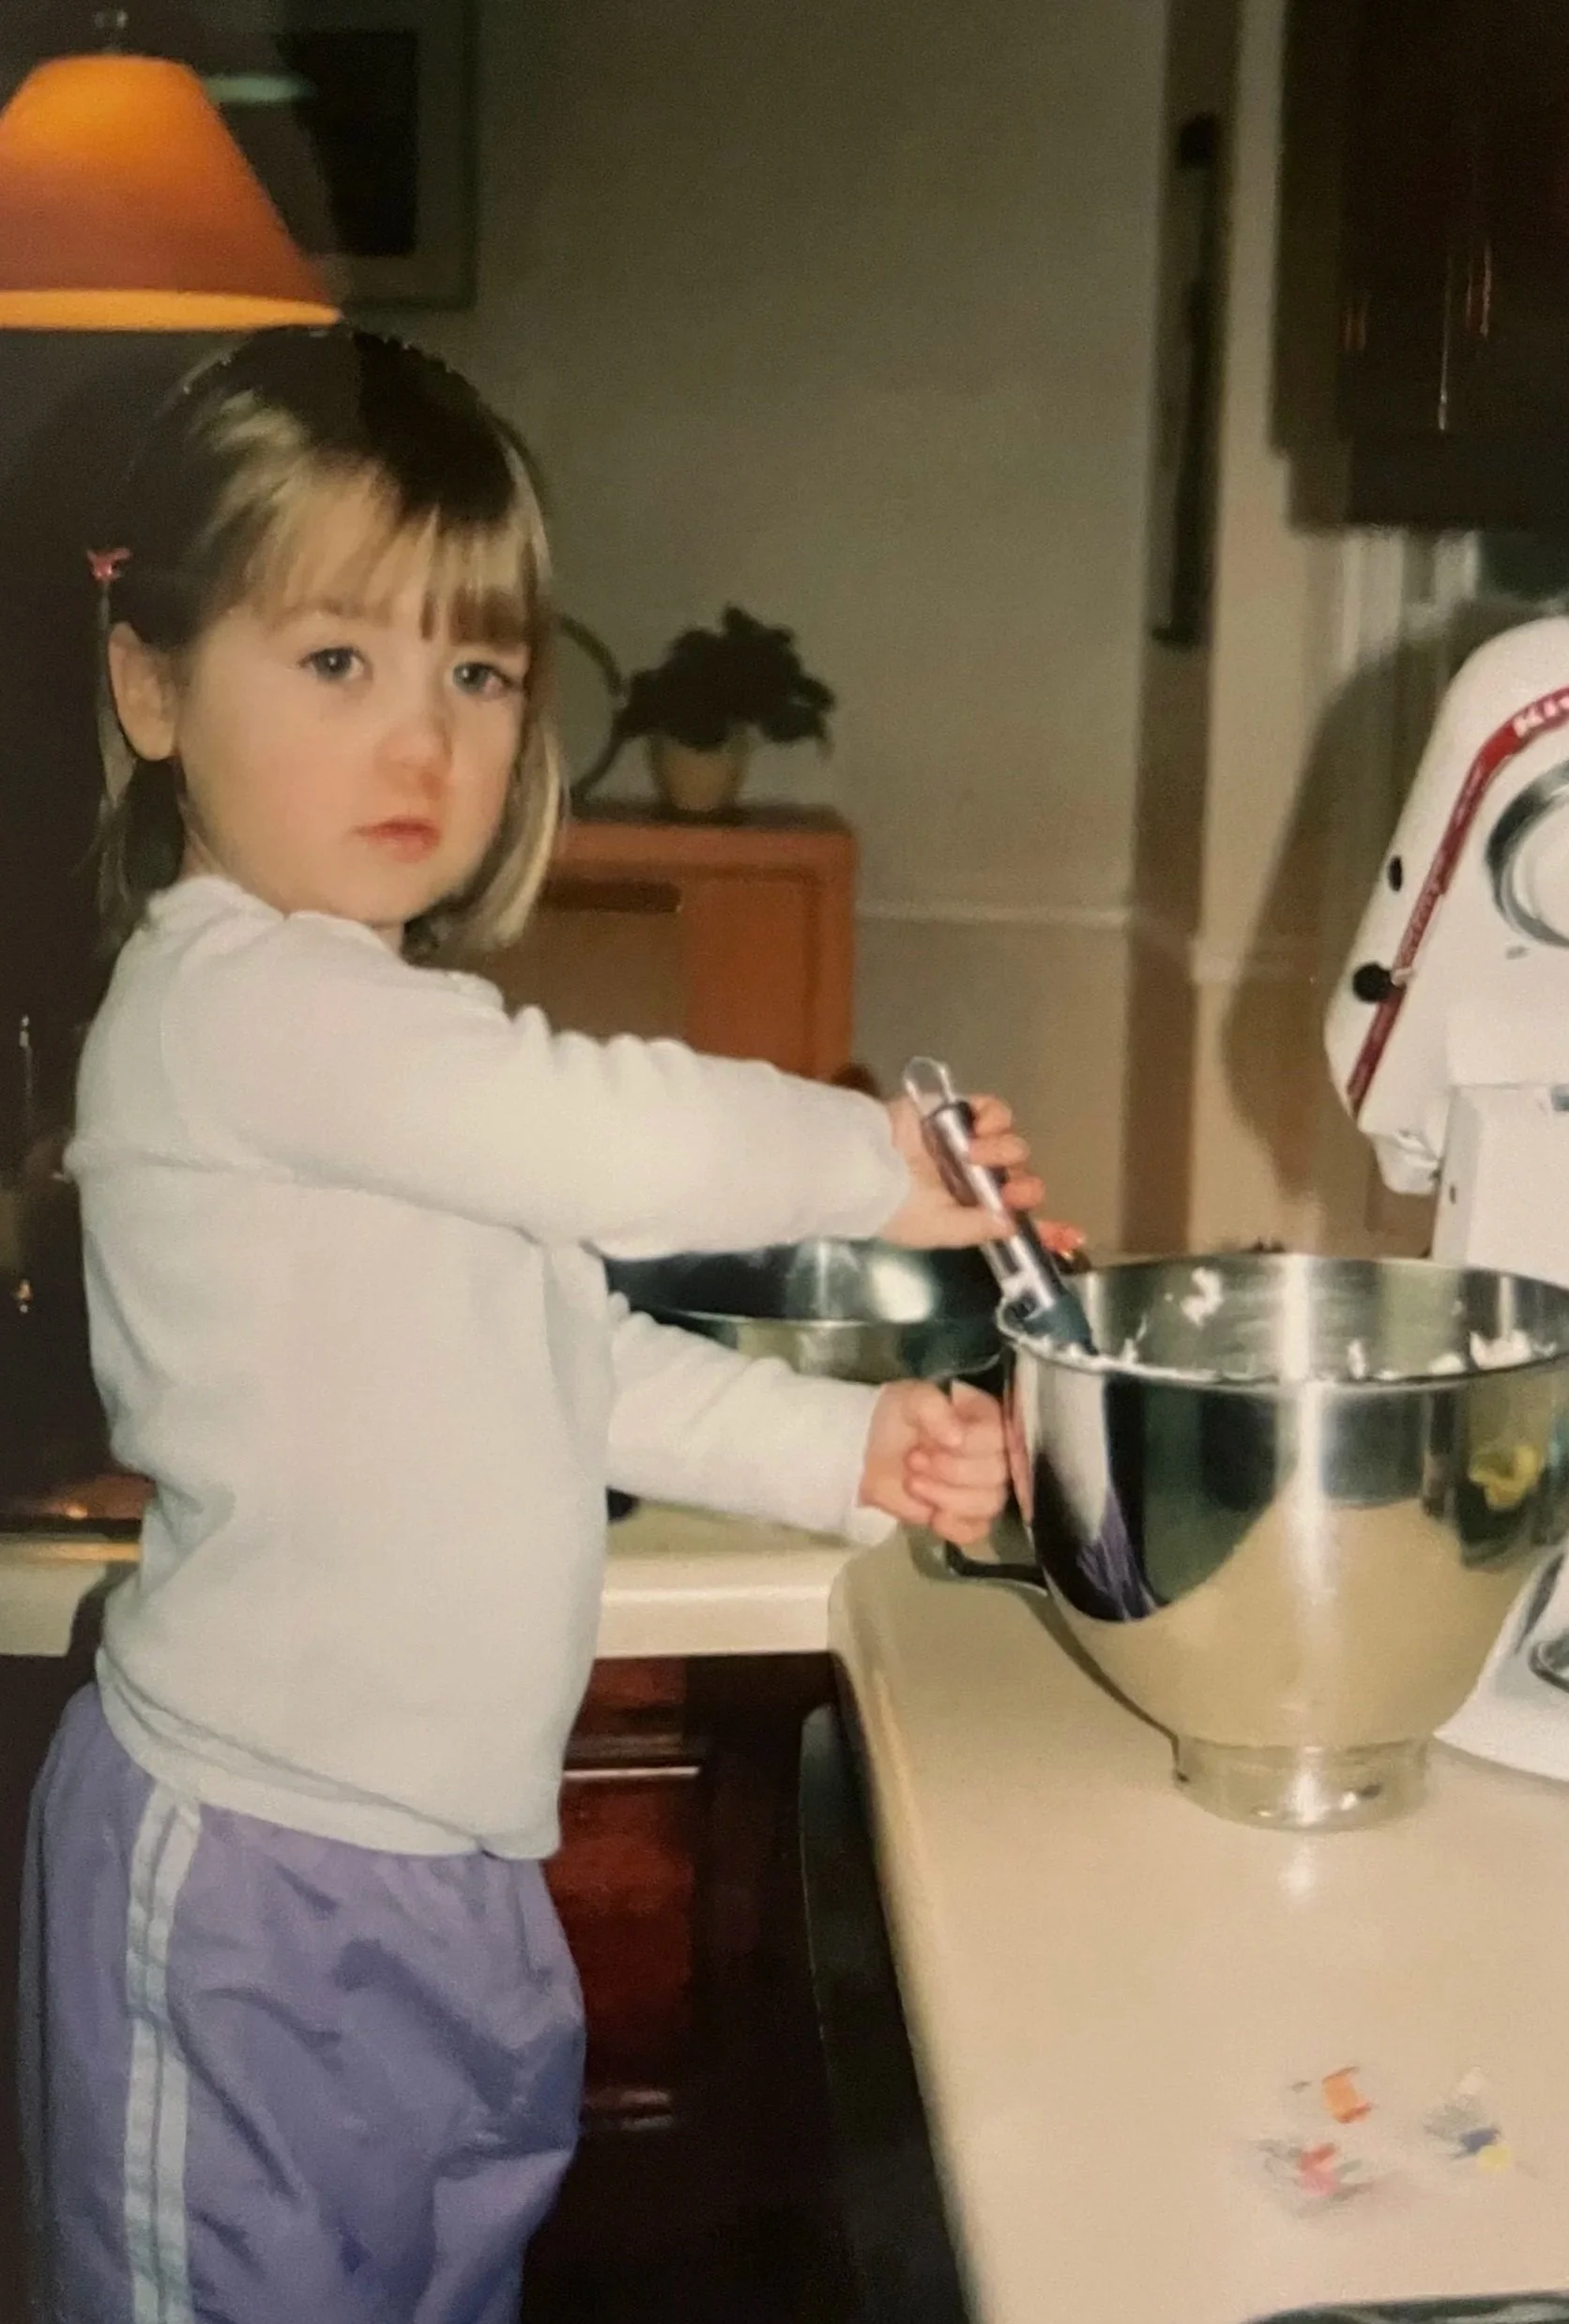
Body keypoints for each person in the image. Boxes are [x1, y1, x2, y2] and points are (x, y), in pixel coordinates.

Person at [19, 326, 1060, 2324]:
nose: (422, 742)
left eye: (475, 673)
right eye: (337, 662)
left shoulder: (389, 1051)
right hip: (248, 1875)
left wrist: (836, 1451)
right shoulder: (238, 1002)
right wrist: (872, 1157)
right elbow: (610, 1138)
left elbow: (560, 1352)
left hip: (457, 1872)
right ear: (150, 685)